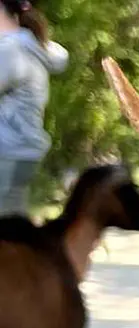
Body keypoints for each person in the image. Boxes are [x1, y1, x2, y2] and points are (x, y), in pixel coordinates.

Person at [0, 0, 65, 217]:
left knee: (8, 230)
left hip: (7, 149)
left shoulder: (12, 49)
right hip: (23, 150)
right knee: (13, 226)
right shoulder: (32, 45)